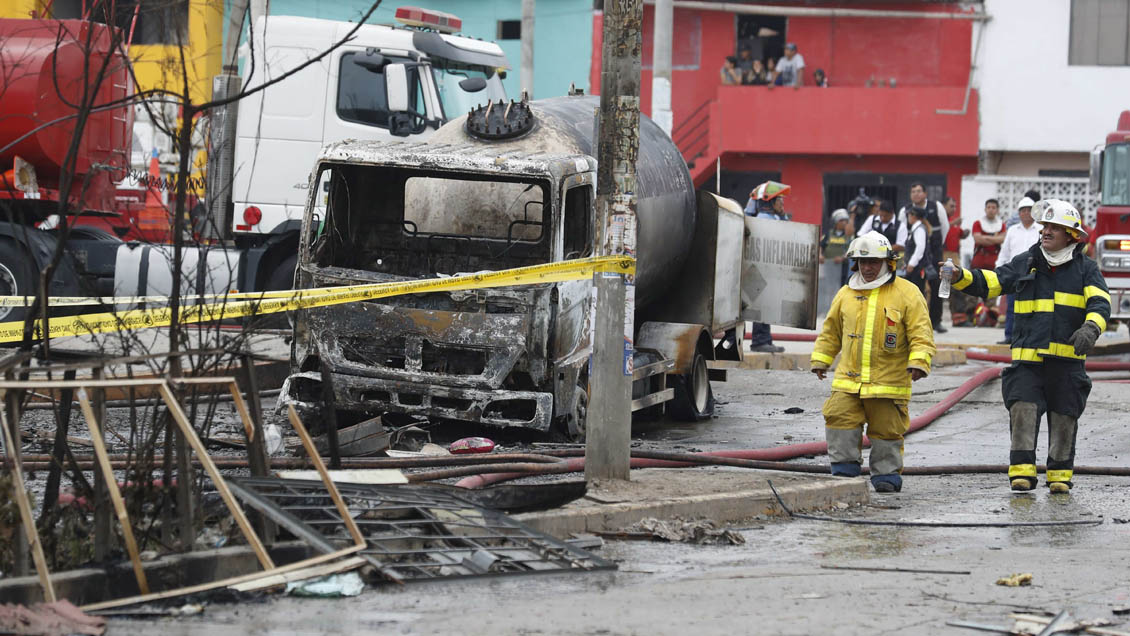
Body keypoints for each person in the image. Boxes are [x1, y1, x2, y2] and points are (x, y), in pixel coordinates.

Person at [943, 200, 1110, 493]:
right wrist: (960, 276)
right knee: (1022, 409)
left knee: (1064, 416)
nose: (1045, 232)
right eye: (1044, 227)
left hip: (1067, 363)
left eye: (1054, 228)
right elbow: (992, 282)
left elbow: (1100, 302)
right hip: (1027, 361)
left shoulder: (1086, 269)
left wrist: (1091, 327)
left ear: (1072, 235)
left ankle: (1059, 475)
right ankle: (1021, 472)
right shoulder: (1027, 261)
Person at [811, 232, 935, 493]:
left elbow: (921, 333)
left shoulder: (907, 293)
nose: (867, 268)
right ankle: (844, 474)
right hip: (848, 382)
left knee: (887, 432)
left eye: (873, 263)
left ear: (888, 263)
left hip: (888, 384)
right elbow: (831, 331)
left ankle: (886, 476)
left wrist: (919, 362)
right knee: (839, 421)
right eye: (862, 262)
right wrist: (821, 359)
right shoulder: (846, 293)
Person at [746, 181, 791, 352]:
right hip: (762, 271)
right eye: (780, 200)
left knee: (767, 305)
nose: (782, 204)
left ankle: (765, 340)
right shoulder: (765, 220)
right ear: (770, 202)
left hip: (766, 271)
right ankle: (760, 341)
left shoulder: (769, 218)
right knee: (763, 306)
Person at [898, 183, 950, 332]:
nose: (916, 194)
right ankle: (914, 321)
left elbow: (945, 227)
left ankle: (936, 321)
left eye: (919, 191)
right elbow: (902, 231)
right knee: (914, 288)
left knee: (938, 285)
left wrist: (937, 246)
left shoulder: (936, 206)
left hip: (936, 252)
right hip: (915, 255)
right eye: (913, 191)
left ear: (925, 193)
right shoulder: (905, 210)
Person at [995, 197, 1040, 344]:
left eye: (1029, 210)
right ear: (1019, 213)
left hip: (1035, 274)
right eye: (1023, 210)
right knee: (1012, 306)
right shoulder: (1012, 231)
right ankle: (1010, 336)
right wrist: (999, 270)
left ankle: (1031, 337)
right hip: (1015, 274)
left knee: (1034, 307)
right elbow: (1005, 253)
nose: (1026, 213)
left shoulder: (1041, 230)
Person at [942, 196, 973, 326]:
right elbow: (941, 229)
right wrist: (954, 223)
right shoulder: (942, 220)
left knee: (957, 285)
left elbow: (961, 234)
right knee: (946, 287)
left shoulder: (953, 224)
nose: (953, 209)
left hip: (954, 257)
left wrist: (966, 232)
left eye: (955, 206)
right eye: (951, 206)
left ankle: (959, 318)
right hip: (944, 257)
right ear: (944, 206)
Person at [902, 206, 931, 297]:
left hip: (917, 268)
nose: (908, 217)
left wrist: (911, 264)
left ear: (914, 216)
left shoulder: (919, 229)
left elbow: (920, 248)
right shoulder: (915, 228)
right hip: (913, 267)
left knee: (916, 293)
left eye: (909, 214)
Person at [820, 208, 853, 286]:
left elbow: (851, 251)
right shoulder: (828, 234)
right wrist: (820, 255)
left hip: (842, 268)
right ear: (836, 222)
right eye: (841, 220)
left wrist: (842, 258)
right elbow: (821, 245)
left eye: (845, 221)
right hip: (828, 267)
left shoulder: (848, 236)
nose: (844, 223)